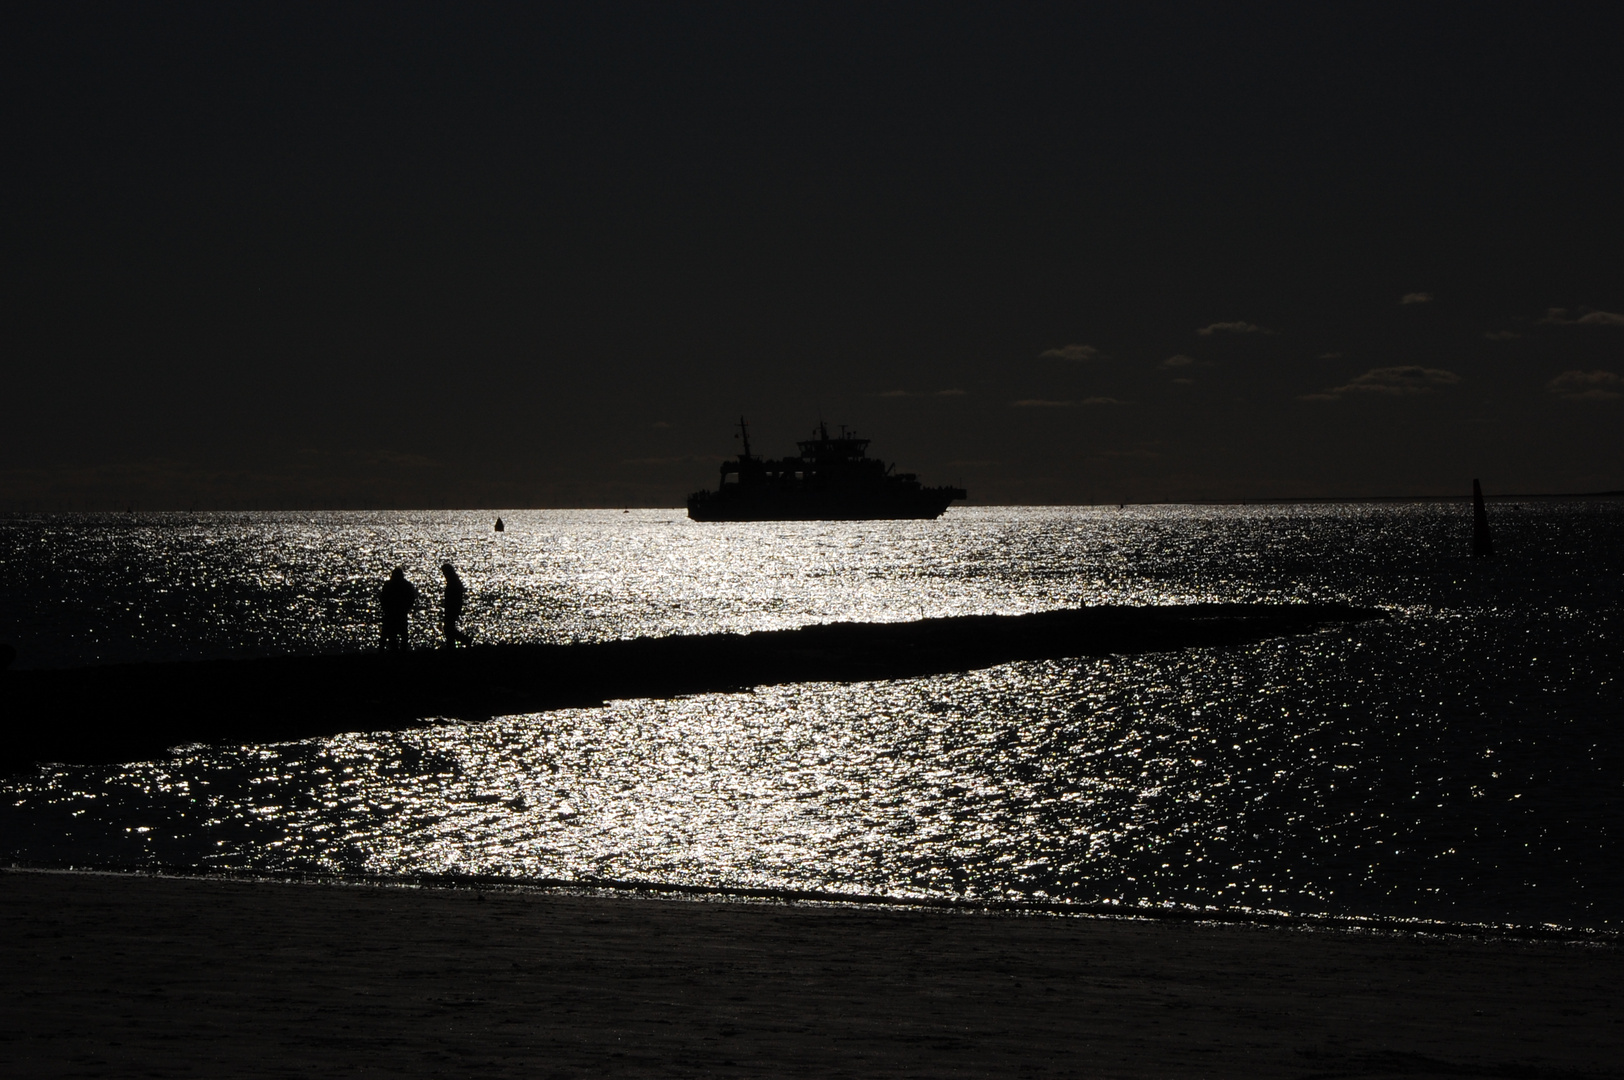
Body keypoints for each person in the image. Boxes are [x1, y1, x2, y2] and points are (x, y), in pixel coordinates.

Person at [379, 568, 418, 652]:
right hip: (401, 613)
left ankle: (394, 651)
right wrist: (406, 608)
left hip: (391, 613)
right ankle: (402, 652)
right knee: (403, 634)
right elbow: (411, 598)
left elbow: (383, 598)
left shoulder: (388, 585)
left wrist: (385, 609)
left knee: (390, 635)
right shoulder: (407, 585)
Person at [441, 563, 473, 649]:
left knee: (448, 628)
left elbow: (453, 597)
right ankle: (451, 645)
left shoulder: (453, 582)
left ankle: (464, 640)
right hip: (453, 607)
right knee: (449, 628)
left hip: (452, 607)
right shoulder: (454, 581)